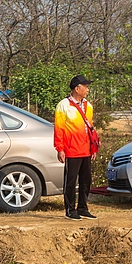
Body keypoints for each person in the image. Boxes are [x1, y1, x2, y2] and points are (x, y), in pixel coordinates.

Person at [53, 75, 99, 220]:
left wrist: (93, 148)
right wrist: (60, 148)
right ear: (77, 88)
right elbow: (59, 129)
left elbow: (90, 128)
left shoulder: (88, 106)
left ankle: (83, 208)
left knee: (86, 180)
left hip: (86, 149)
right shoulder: (63, 105)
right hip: (71, 149)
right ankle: (70, 209)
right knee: (71, 181)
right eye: (85, 86)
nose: (87, 89)